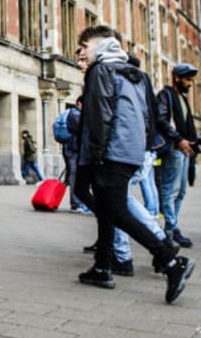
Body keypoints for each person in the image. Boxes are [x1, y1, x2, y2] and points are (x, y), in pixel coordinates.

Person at [76, 26, 193, 303]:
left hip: (110, 149)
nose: (82, 53)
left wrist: (96, 155)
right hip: (130, 150)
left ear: (100, 46)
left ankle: (169, 260)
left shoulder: (100, 71)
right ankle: (103, 265)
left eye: (86, 47)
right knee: (106, 205)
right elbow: (150, 116)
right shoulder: (138, 74)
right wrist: (141, 148)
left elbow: (100, 114)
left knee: (114, 208)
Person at [156, 63, 198, 249]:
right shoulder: (166, 95)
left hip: (184, 149)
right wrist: (179, 139)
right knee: (169, 190)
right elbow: (162, 120)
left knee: (180, 192)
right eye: (188, 79)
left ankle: (172, 226)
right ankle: (170, 230)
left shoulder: (182, 98)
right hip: (173, 148)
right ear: (177, 78)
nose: (190, 84)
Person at [62, 98, 88, 213]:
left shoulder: (79, 114)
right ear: (79, 103)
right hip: (73, 150)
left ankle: (80, 202)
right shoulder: (74, 113)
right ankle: (75, 204)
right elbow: (81, 129)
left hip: (77, 149)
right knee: (74, 176)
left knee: (78, 176)